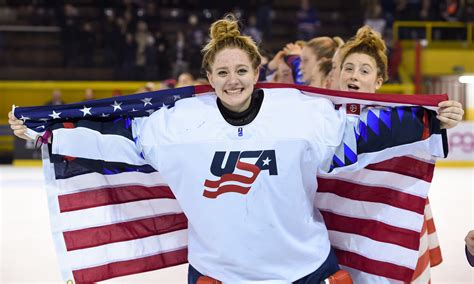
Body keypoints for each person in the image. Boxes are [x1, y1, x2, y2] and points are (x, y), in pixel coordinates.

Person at [8, 15, 463, 283]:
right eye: (222, 72)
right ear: (208, 76)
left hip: (302, 271)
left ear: (256, 69)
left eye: (241, 70)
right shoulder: (176, 123)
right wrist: (49, 130)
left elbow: (361, 136)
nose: (233, 80)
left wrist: (427, 120)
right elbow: (116, 136)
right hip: (217, 274)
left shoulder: (299, 112)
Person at [333, 25, 462, 282]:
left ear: (379, 81)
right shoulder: (317, 116)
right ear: (338, 73)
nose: (354, 76)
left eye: (364, 70)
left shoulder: (396, 120)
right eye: (348, 68)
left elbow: (430, 124)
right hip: (329, 241)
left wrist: (444, 118)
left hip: (371, 245)